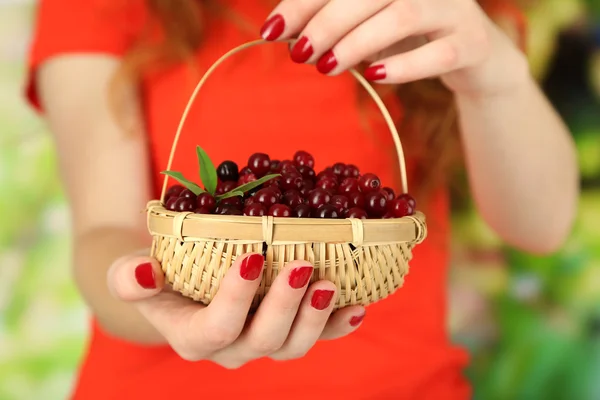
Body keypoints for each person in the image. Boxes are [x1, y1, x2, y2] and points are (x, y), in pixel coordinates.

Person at [25, 0, 579, 398]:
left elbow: (540, 224)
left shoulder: (448, 11)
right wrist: (157, 300)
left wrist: (491, 76)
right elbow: (104, 234)